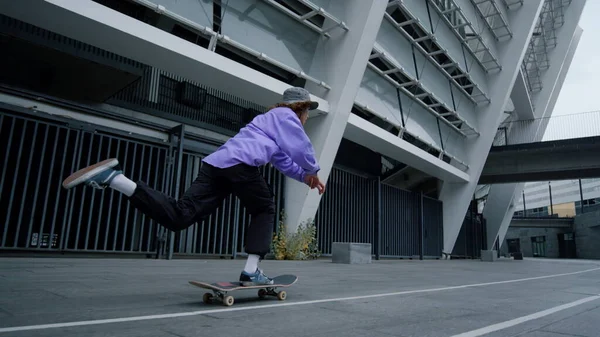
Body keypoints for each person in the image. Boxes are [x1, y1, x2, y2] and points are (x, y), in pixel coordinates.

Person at [62, 87, 325, 286]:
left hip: (218, 164)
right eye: (306, 114)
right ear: (300, 109)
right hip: (241, 164)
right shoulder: (284, 115)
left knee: (180, 215)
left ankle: (117, 180)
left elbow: (282, 159)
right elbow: (301, 147)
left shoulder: (267, 123)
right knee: (264, 207)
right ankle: (251, 270)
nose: (305, 119)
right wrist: (313, 170)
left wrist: (304, 177)